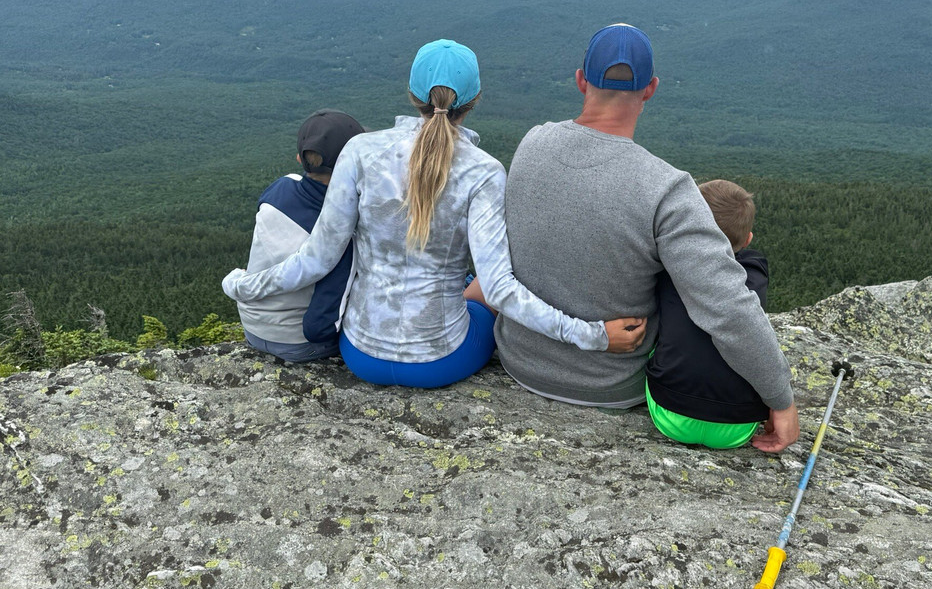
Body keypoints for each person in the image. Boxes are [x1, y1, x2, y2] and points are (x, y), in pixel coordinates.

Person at [223, 39, 645, 388]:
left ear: (412, 94)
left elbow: (316, 260)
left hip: (361, 353)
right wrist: (593, 336)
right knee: (480, 293)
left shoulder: (360, 152)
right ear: (474, 100)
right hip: (440, 359)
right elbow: (499, 290)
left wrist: (241, 286)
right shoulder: (483, 171)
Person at [493, 23, 798, 452]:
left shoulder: (532, 142)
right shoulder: (667, 189)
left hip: (519, 362)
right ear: (651, 89)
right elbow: (727, 305)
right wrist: (779, 399)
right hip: (612, 385)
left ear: (581, 80)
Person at [646, 179, 774, 449]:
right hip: (737, 427)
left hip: (670, 416)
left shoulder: (668, 269)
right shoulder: (754, 271)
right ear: (748, 239)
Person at [234, 109, 366, 362]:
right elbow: (318, 326)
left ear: (299, 157)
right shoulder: (339, 233)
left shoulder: (279, 188)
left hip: (252, 327)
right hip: (296, 343)